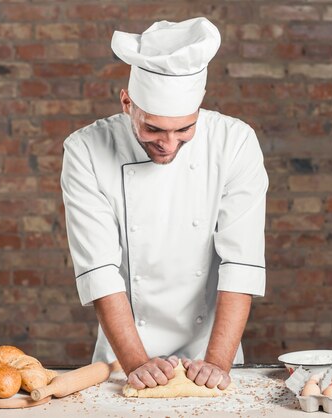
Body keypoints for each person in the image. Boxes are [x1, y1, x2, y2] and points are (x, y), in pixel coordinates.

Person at [60, 17, 268, 391]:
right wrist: (137, 363)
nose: (168, 145)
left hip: (213, 351)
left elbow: (241, 263)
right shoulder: (86, 150)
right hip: (122, 361)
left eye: (184, 130)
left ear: (199, 109)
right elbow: (100, 270)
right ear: (127, 102)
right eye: (153, 129)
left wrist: (217, 363)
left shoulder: (234, 142)